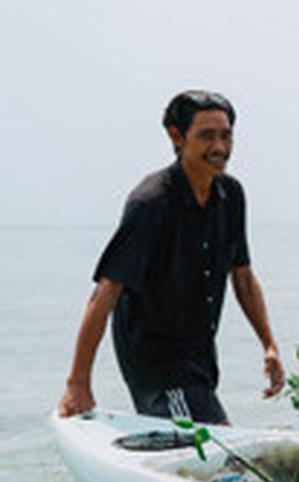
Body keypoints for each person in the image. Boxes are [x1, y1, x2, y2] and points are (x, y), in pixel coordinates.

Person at [57, 90, 284, 424]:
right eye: (207, 136)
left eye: (226, 136)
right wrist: (78, 383)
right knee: (216, 448)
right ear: (176, 137)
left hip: (199, 354)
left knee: (215, 452)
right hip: (155, 360)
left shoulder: (231, 195)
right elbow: (105, 293)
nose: (220, 148)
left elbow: (243, 277)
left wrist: (269, 344)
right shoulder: (151, 203)